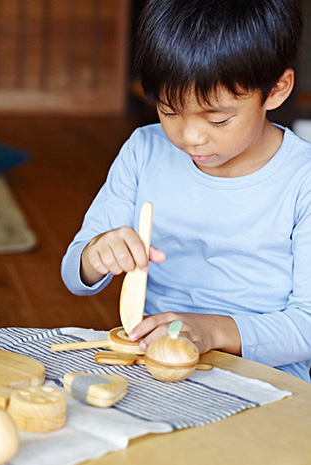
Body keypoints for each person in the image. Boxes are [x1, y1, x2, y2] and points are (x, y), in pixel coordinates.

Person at [61, 0, 311, 382]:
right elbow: (74, 270)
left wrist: (210, 331)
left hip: (268, 374)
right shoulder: (144, 150)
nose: (189, 137)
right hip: (160, 360)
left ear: (276, 90)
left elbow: (305, 326)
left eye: (218, 118)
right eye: (169, 111)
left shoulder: (302, 178)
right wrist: (97, 254)